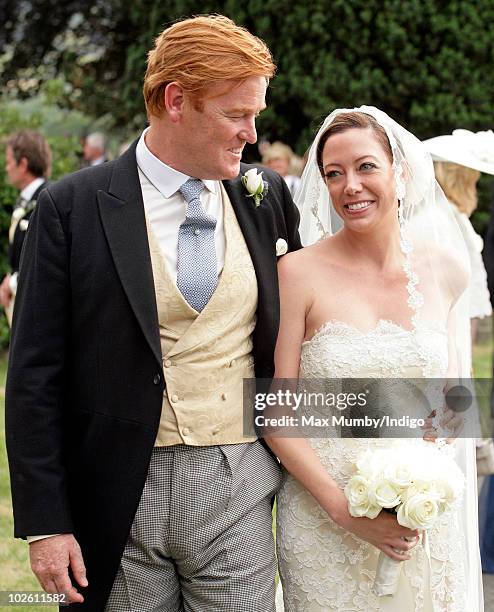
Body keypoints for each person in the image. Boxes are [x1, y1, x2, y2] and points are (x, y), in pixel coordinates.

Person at [6, 15, 301, 612]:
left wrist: (413, 417)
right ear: (175, 101)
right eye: (235, 113)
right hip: (115, 491)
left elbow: (304, 341)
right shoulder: (72, 207)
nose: (251, 132)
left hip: (238, 480)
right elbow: (35, 374)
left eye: (256, 114)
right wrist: (46, 522)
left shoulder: (266, 198)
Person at [267, 107, 483, 610]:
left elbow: (454, 394)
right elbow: (277, 414)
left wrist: (441, 433)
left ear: (399, 171)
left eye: (366, 167)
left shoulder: (447, 269)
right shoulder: (297, 273)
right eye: (334, 174)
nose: (350, 187)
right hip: (326, 520)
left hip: (422, 514)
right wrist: (345, 511)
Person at [423, 130, 494, 349]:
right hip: (446, 330)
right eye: (472, 181)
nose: (475, 189)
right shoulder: (438, 219)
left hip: (459, 327)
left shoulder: (454, 216)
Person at [0, 130, 51, 325]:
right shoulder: (26, 200)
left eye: (8, 161)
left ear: (23, 164)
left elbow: (43, 257)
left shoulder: (46, 199)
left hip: (38, 312)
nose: (6, 168)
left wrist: (11, 284)